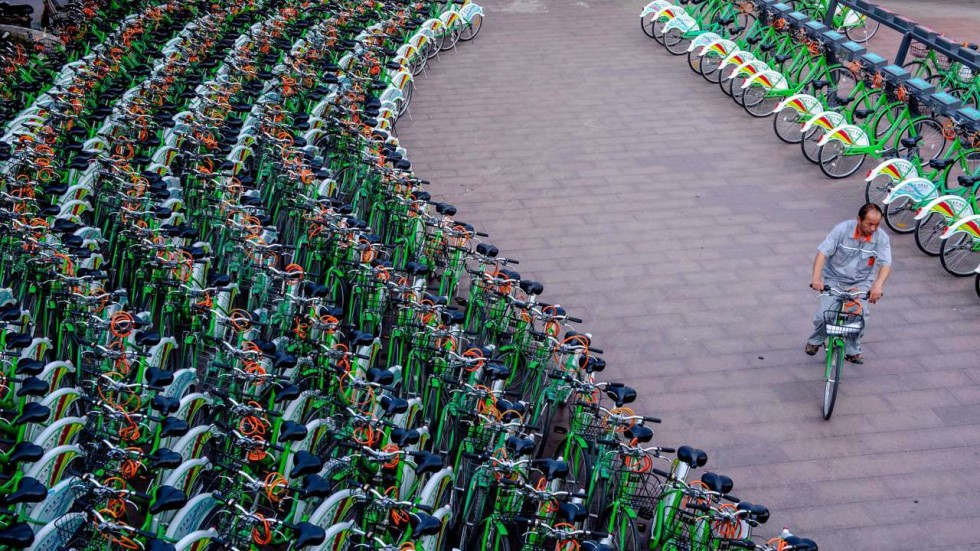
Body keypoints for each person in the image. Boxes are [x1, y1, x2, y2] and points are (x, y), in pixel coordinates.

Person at [805, 204, 892, 364]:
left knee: (859, 316)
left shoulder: (881, 238)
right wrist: (816, 278)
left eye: (877, 224)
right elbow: (822, 253)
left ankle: (852, 350)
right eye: (869, 224)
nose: (873, 228)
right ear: (859, 219)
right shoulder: (842, 230)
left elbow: (886, 264)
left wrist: (878, 285)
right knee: (826, 315)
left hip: (861, 281)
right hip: (834, 278)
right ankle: (816, 340)